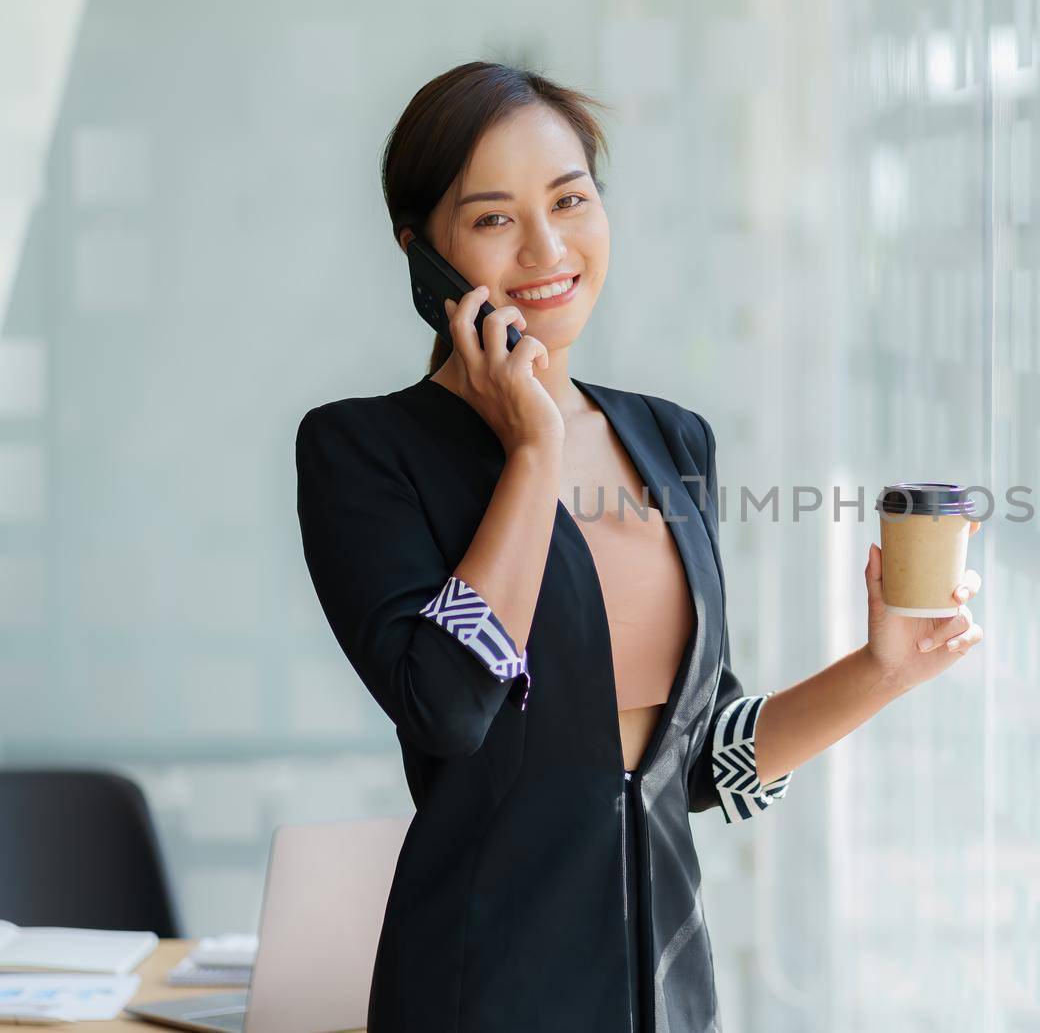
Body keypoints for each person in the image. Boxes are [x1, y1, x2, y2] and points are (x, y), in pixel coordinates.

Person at [293, 61, 985, 1033]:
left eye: (570, 200)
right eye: (493, 218)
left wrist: (881, 670)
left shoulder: (671, 439)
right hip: (475, 996)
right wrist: (534, 449)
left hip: (669, 992)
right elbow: (447, 705)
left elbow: (692, 766)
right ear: (424, 256)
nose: (547, 246)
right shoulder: (364, 450)